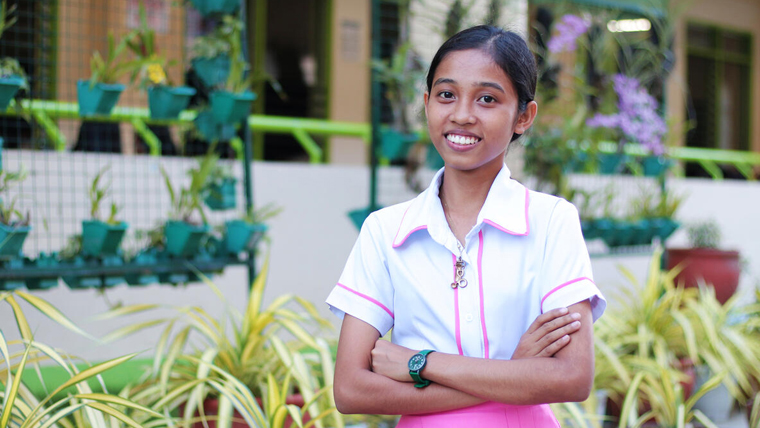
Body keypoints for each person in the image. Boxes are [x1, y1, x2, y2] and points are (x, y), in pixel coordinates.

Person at [325, 25, 606, 427]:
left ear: (524, 116)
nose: (461, 114)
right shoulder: (385, 231)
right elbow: (351, 390)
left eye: (487, 99)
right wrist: (513, 372)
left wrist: (422, 363)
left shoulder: (551, 221)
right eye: (446, 95)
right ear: (426, 103)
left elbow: (573, 378)